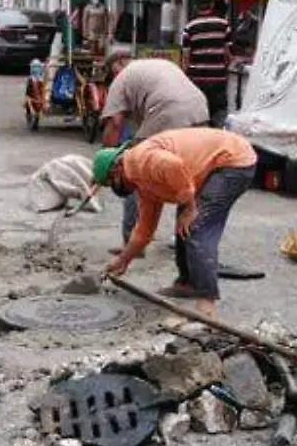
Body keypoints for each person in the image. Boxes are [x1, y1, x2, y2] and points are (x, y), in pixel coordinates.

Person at [94, 128, 258, 318]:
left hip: (232, 161)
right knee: (184, 220)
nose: (114, 188)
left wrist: (189, 207)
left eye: (110, 182)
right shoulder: (142, 183)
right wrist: (123, 260)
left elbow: (173, 164)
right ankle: (187, 282)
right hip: (208, 166)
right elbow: (144, 231)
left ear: (116, 169)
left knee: (196, 226)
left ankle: (207, 303)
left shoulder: (141, 160)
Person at [100, 51, 210, 254]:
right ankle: (186, 241)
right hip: (200, 108)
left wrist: (107, 163)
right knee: (189, 175)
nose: (111, 79)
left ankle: (132, 243)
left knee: (134, 171)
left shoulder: (122, 78)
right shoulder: (158, 65)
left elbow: (115, 124)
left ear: (117, 65)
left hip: (168, 112)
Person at [181, 0, 232, 128]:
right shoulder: (223, 25)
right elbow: (227, 55)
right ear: (212, 4)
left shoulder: (189, 27)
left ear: (196, 6)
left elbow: (186, 58)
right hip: (218, 79)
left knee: (199, 115)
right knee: (219, 115)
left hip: (197, 80)